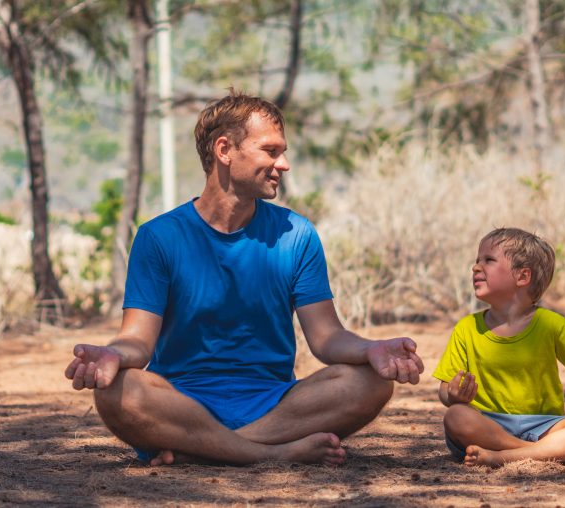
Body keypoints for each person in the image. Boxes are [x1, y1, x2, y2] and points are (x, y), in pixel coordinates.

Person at [65, 92, 424, 467]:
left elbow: (327, 338)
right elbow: (137, 340)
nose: (283, 164)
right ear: (224, 150)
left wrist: (372, 350)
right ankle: (272, 453)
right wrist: (113, 354)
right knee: (115, 391)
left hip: (276, 406)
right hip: (179, 405)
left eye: (282, 152)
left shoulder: (296, 234)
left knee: (372, 382)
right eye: (270, 151)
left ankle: (206, 451)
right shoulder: (159, 237)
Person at [432, 228, 565, 467]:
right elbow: (444, 390)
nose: (475, 267)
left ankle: (500, 458)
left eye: (488, 260)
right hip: (488, 425)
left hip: (545, 425)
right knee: (455, 416)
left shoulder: (553, 325)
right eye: (477, 260)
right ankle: (552, 452)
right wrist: (453, 395)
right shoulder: (466, 328)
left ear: (522, 277)